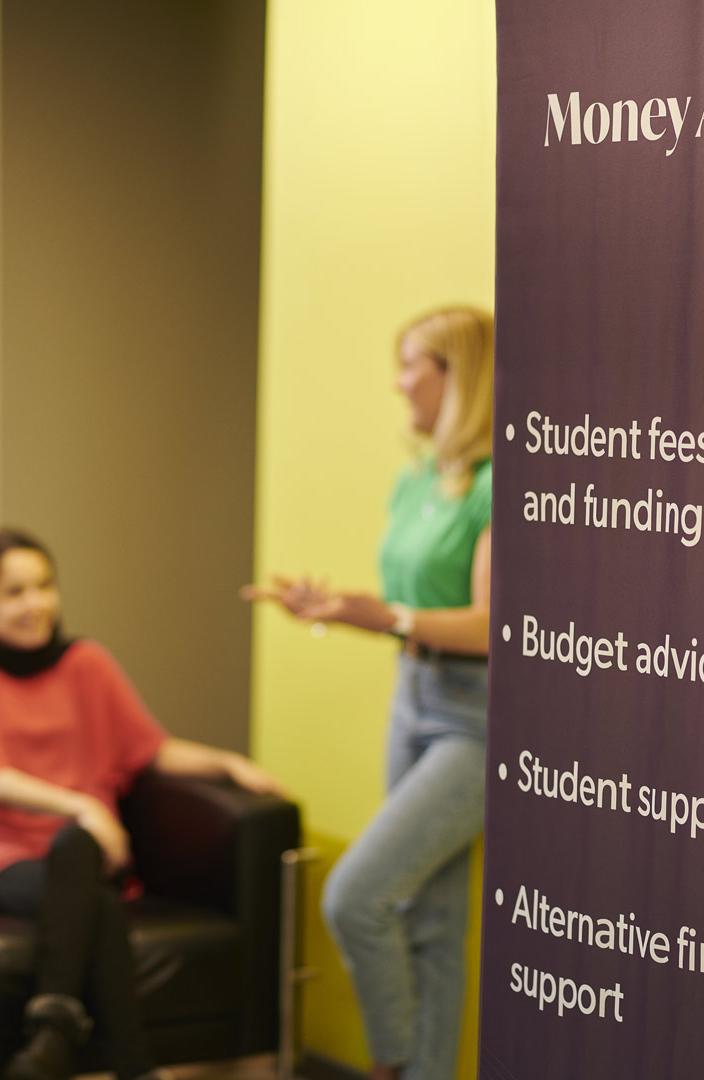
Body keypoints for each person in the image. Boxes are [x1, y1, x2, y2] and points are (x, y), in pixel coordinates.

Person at [0, 528, 284, 1080]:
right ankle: (131, 1065)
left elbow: (149, 747)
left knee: (79, 859)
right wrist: (85, 808)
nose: (35, 604)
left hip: (85, 850)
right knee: (99, 902)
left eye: (44, 586)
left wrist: (227, 762)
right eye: (14, 592)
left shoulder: (87, 663)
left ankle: (51, 1037)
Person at [244, 306, 494, 1080]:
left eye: (412, 362)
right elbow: (404, 611)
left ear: (459, 376)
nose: (398, 381)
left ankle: (388, 1064)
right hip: (412, 690)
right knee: (431, 920)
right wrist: (336, 611)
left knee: (357, 897)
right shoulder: (418, 476)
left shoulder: (497, 483)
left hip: (475, 713)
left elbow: (494, 627)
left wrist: (381, 613)